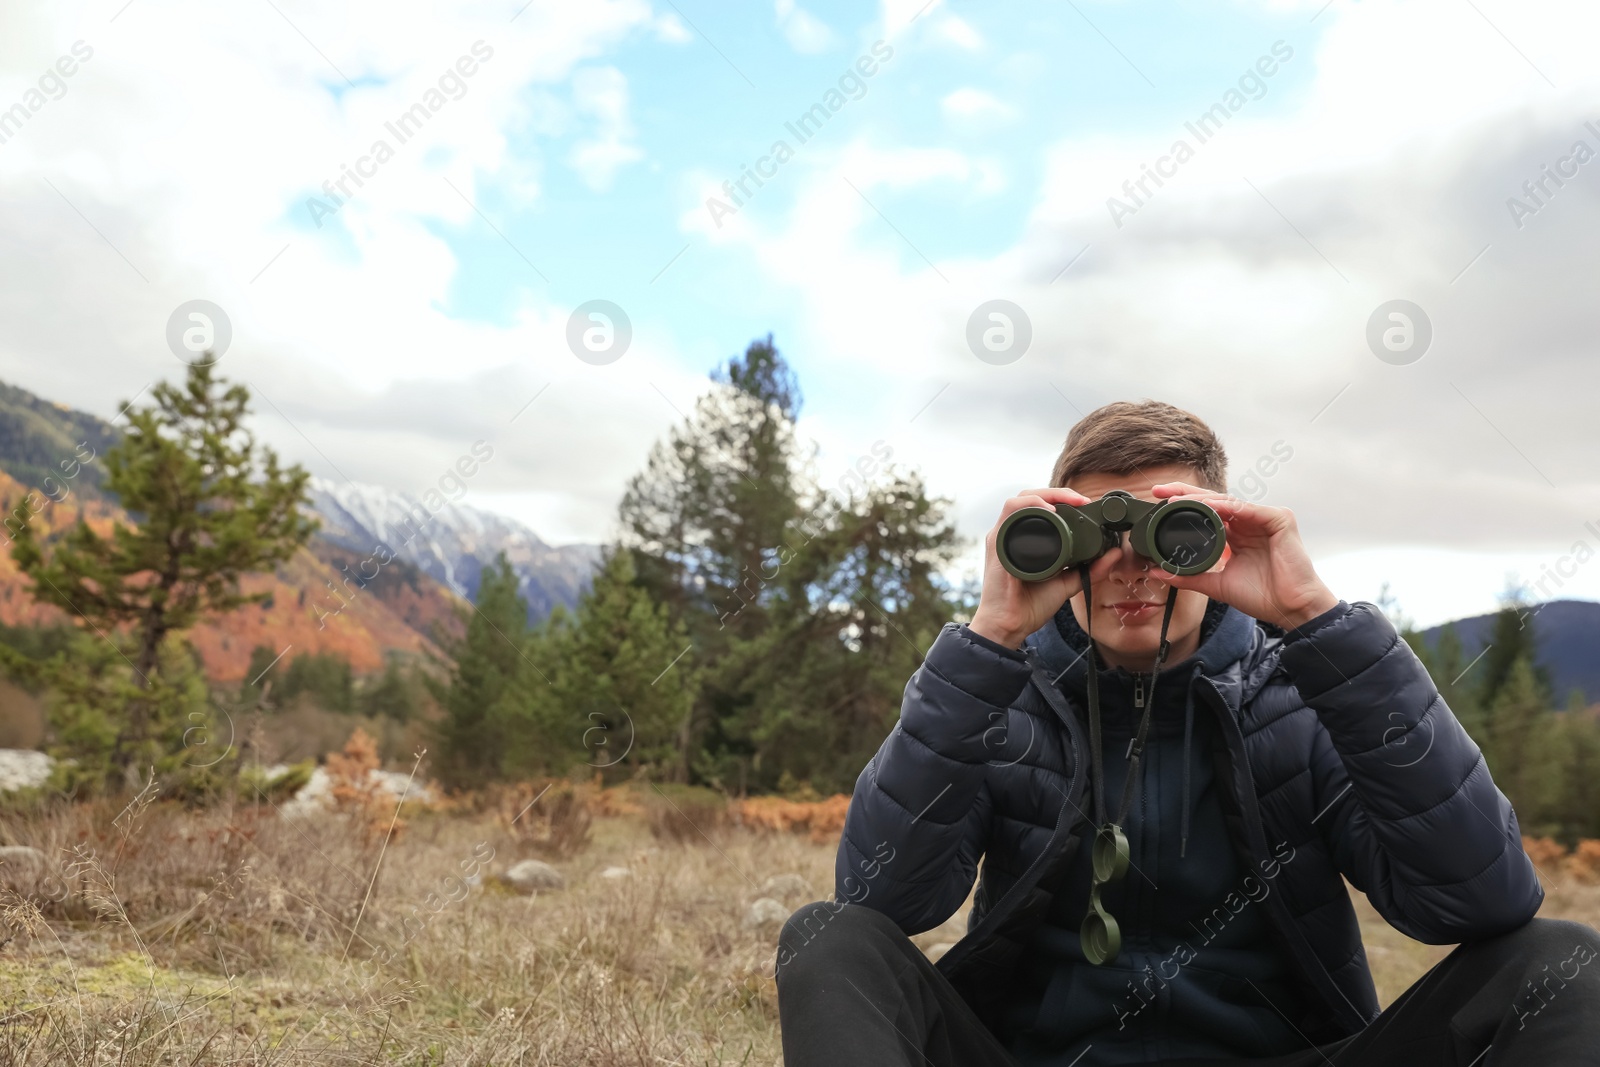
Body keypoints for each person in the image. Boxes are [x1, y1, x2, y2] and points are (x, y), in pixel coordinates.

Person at [773, 400, 1600, 1066]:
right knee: (825, 934)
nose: (1131, 565)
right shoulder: (1001, 695)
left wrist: (1319, 620)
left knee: (1565, 957)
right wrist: (988, 639)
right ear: (1053, 545)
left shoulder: (1306, 694)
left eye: (1171, 533)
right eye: (1096, 533)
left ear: (1221, 534)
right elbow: (879, 904)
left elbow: (1482, 899)